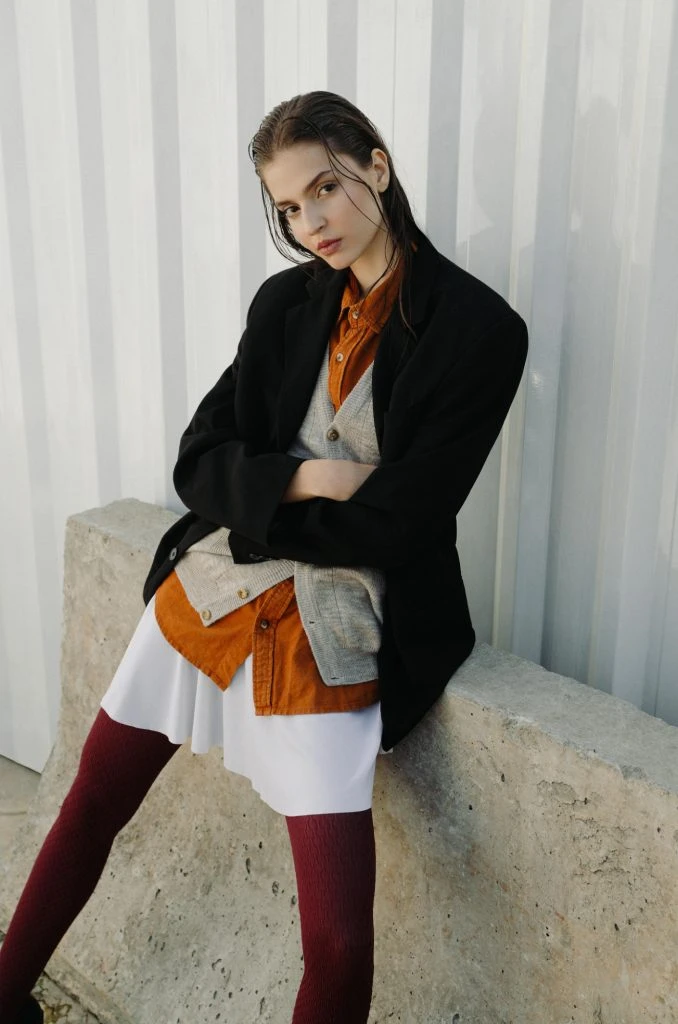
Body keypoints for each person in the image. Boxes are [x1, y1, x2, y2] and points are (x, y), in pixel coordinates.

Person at [0, 90, 528, 1024]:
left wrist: (260, 494)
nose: (311, 222)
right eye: (288, 206)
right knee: (93, 800)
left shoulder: (479, 330)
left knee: (338, 942)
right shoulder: (286, 303)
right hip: (212, 592)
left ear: (377, 166)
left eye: (326, 187)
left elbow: (401, 523)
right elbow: (199, 460)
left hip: (338, 626)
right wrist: (308, 479)